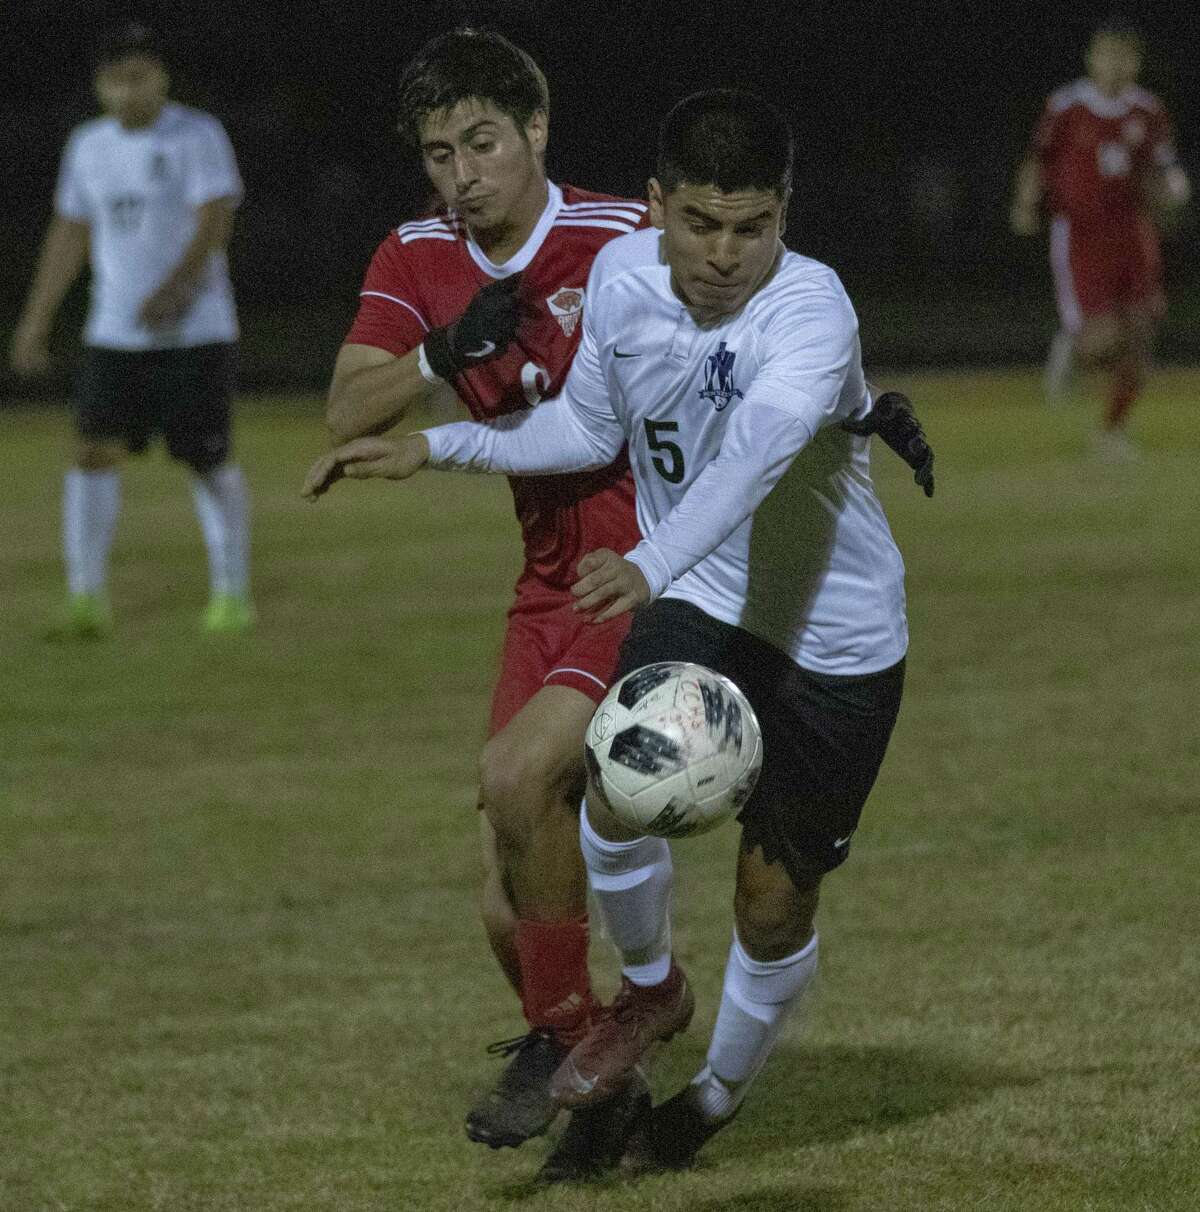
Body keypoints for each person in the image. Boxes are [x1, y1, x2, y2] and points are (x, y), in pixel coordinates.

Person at [305, 87, 928, 1175]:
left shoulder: (813, 308)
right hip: (708, 601)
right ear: (655, 207)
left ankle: (714, 1099)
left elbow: (754, 461)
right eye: (700, 223)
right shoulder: (622, 281)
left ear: (784, 213)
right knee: (612, 781)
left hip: (837, 640)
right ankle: (644, 998)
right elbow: (586, 424)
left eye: (754, 227)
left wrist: (645, 561)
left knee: (773, 908)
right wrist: (441, 447)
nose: (727, 253)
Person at [318, 28, 650, 1179]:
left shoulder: (620, 239)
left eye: (484, 143)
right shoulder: (418, 252)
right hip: (544, 581)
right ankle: (603, 1085)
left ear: (538, 132)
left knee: (517, 779)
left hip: (643, 568)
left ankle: (569, 1047)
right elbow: (344, 411)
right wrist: (439, 353)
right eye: (438, 151)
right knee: (506, 913)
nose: (462, 174)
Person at [9, 22, 252, 637]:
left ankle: (231, 595)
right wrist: (36, 319)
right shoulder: (87, 146)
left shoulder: (197, 134)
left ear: (162, 77)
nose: (127, 91)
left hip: (196, 332)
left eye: (139, 76)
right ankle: (86, 599)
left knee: (205, 459)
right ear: (99, 85)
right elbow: (70, 233)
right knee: (92, 451)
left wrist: (176, 289)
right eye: (116, 79)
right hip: (114, 334)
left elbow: (215, 216)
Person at [1010, 20, 1190, 455]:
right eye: (1107, 54)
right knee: (1104, 340)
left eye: (1124, 56)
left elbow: (1165, 168)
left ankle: (1110, 431)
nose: (1114, 65)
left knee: (1143, 333)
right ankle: (1071, 346)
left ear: (1136, 62)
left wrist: (1174, 190)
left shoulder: (1148, 110)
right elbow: (1039, 159)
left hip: (1133, 232)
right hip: (1081, 235)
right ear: (1092, 58)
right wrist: (1025, 203)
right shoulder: (1067, 106)